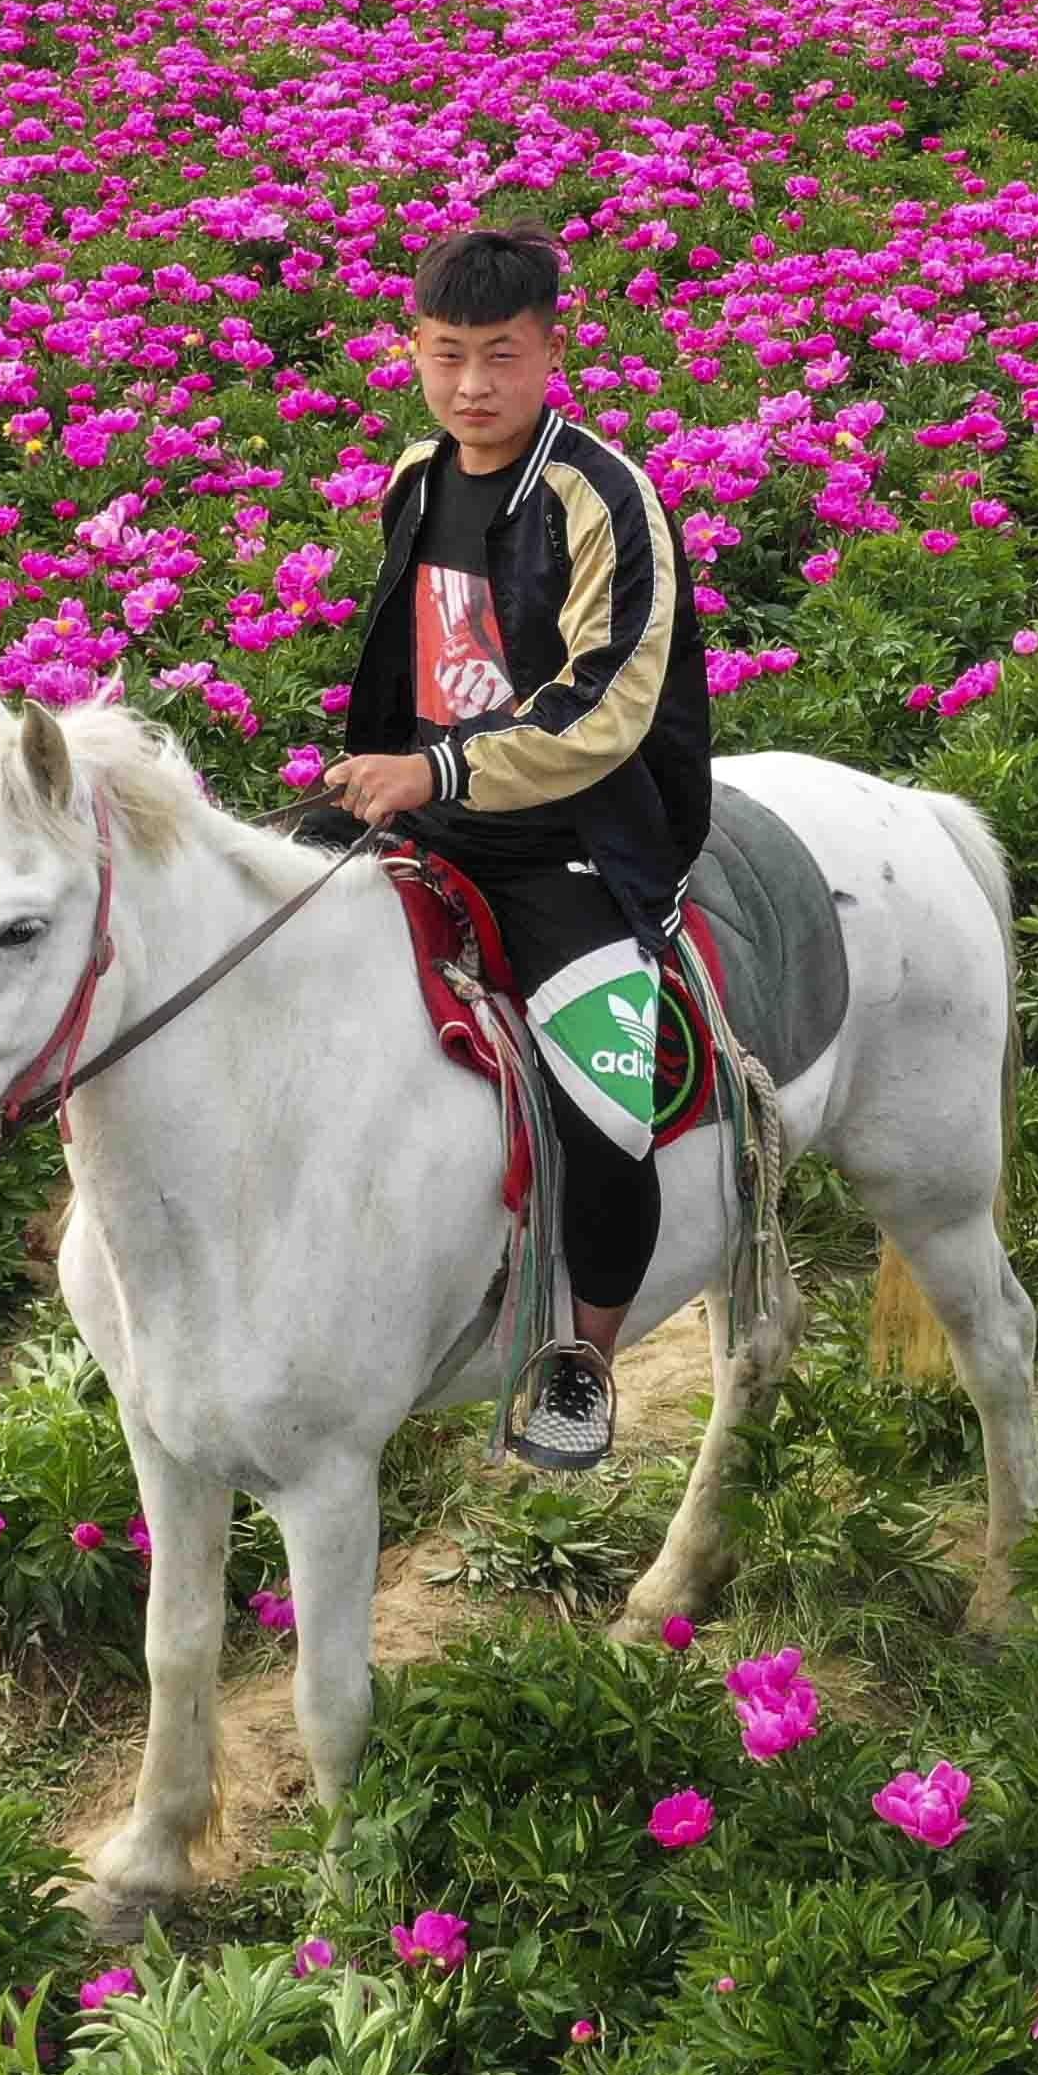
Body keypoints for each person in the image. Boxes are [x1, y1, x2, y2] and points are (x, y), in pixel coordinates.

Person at [328, 226, 715, 1474]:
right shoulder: (415, 475)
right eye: (447, 358)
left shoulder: (605, 494)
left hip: (572, 844)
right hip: (430, 812)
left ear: (557, 346)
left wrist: (439, 767)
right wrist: (380, 774)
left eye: (502, 356)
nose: (472, 387)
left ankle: (582, 1362)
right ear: (414, 353)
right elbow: (407, 656)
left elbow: (609, 702)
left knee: (609, 1105)